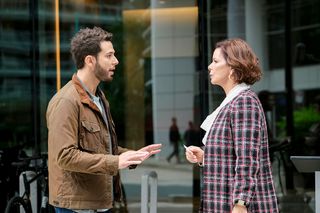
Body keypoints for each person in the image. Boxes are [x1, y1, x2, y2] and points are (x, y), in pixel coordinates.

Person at [46, 26, 162, 213]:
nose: (115, 61)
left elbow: (100, 148)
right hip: (76, 208)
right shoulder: (66, 101)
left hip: (98, 205)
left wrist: (131, 155)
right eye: (109, 56)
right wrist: (115, 162)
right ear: (90, 60)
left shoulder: (99, 98)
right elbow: (65, 156)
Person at [185, 38, 279, 213]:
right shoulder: (233, 102)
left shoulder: (244, 102)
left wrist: (241, 203)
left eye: (215, 61)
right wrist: (205, 157)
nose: (209, 66)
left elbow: (247, 159)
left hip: (237, 206)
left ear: (233, 68)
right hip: (223, 201)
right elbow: (233, 154)